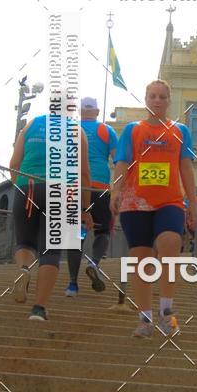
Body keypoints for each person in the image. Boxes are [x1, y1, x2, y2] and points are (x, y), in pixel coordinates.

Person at [110, 80, 197, 337]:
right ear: (146, 99)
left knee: (170, 243)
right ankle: (145, 319)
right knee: (142, 261)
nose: (157, 100)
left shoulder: (181, 131)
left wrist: (192, 203)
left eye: (162, 97)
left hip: (169, 201)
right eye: (152, 96)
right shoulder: (133, 130)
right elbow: (122, 163)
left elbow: (186, 167)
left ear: (169, 101)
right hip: (135, 202)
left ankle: (167, 313)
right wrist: (115, 190)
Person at [9, 110, 93, 321]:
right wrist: (84, 209)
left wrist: (18, 187)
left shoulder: (31, 125)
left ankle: (24, 269)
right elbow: (83, 174)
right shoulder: (77, 130)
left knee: (25, 243)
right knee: (51, 250)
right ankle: (38, 309)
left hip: (27, 186)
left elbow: (13, 163)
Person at [65, 96, 117, 298]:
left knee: (76, 234)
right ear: (96, 111)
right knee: (103, 231)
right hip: (99, 187)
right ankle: (94, 262)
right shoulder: (106, 130)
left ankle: (72, 285)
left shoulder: (70, 128)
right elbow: (118, 158)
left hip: (73, 186)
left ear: (80, 111)